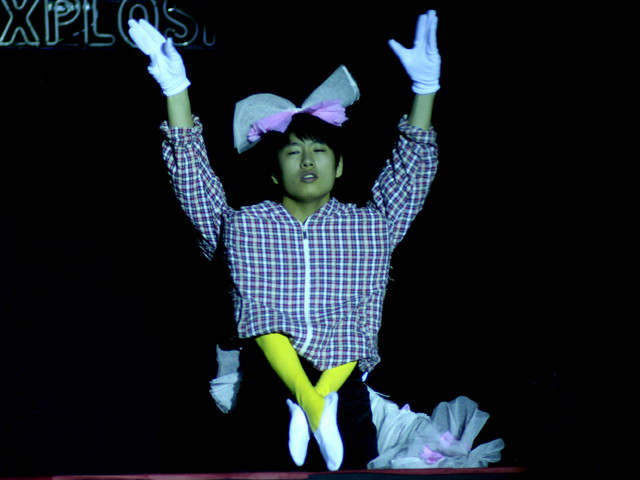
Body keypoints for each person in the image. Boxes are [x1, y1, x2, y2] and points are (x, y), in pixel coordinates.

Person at [128, 9, 440, 471]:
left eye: (319, 150)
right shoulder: (245, 225)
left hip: (345, 394)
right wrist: (176, 88)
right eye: (293, 151)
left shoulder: (369, 225)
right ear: (274, 172)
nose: (307, 159)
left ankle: (318, 403)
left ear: (339, 166)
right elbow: (192, 180)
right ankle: (308, 404)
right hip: (266, 398)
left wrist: (425, 88)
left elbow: (410, 170)